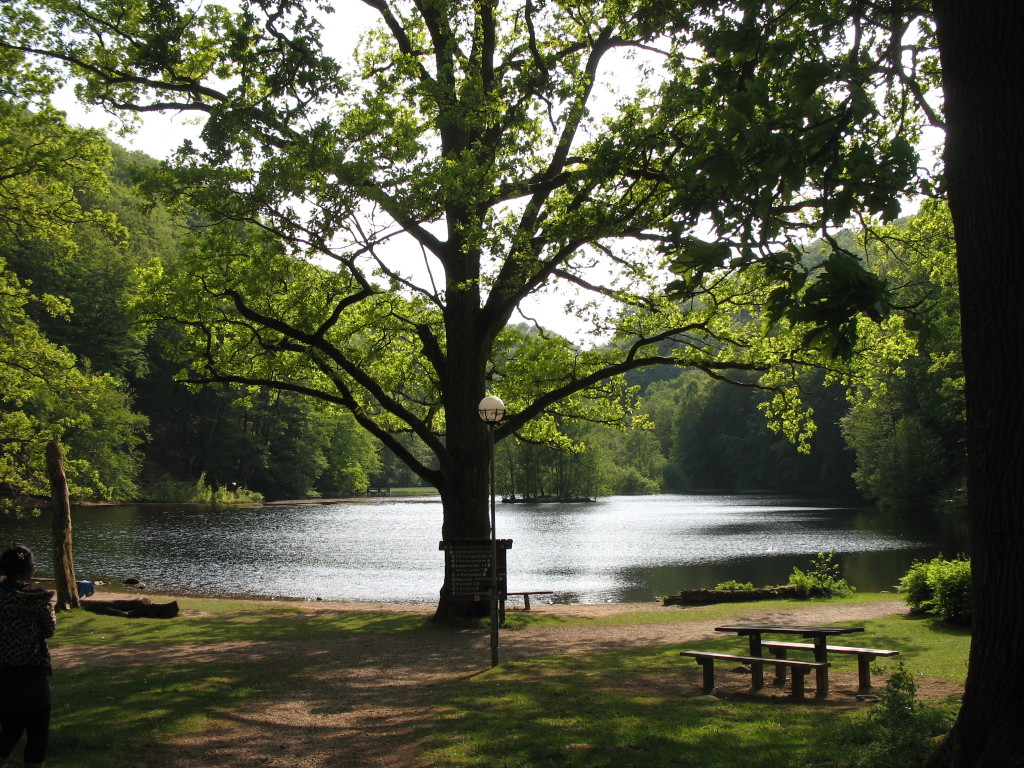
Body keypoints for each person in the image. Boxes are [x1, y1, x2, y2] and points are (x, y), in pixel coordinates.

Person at [0, 545, 56, 768]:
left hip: (2, 673)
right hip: (31, 672)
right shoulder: (36, 598)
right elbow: (49, 630)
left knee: (10, 730)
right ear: (31, 568)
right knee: (37, 734)